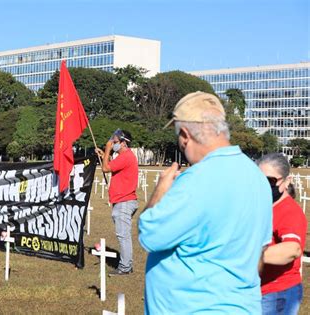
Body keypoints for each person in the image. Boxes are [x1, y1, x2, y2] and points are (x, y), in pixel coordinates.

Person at [138, 91, 273, 314]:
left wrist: (160, 191)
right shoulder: (256, 176)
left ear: (184, 135)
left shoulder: (196, 179)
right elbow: (260, 251)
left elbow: (149, 235)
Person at [257, 153, 307, 315]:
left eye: (270, 180)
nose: (263, 185)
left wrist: (248, 255)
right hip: (258, 289)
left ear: (287, 181)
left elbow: (292, 249)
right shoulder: (261, 206)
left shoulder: (289, 212)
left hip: (277, 293)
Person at [95, 129, 138, 276]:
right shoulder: (124, 157)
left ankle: (125, 267)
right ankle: (126, 265)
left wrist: (107, 149)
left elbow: (106, 168)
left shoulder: (126, 156)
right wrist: (103, 154)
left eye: (115, 142)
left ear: (124, 143)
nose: (112, 144)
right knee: (123, 234)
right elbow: (112, 165)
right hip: (123, 201)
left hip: (124, 201)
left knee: (123, 235)